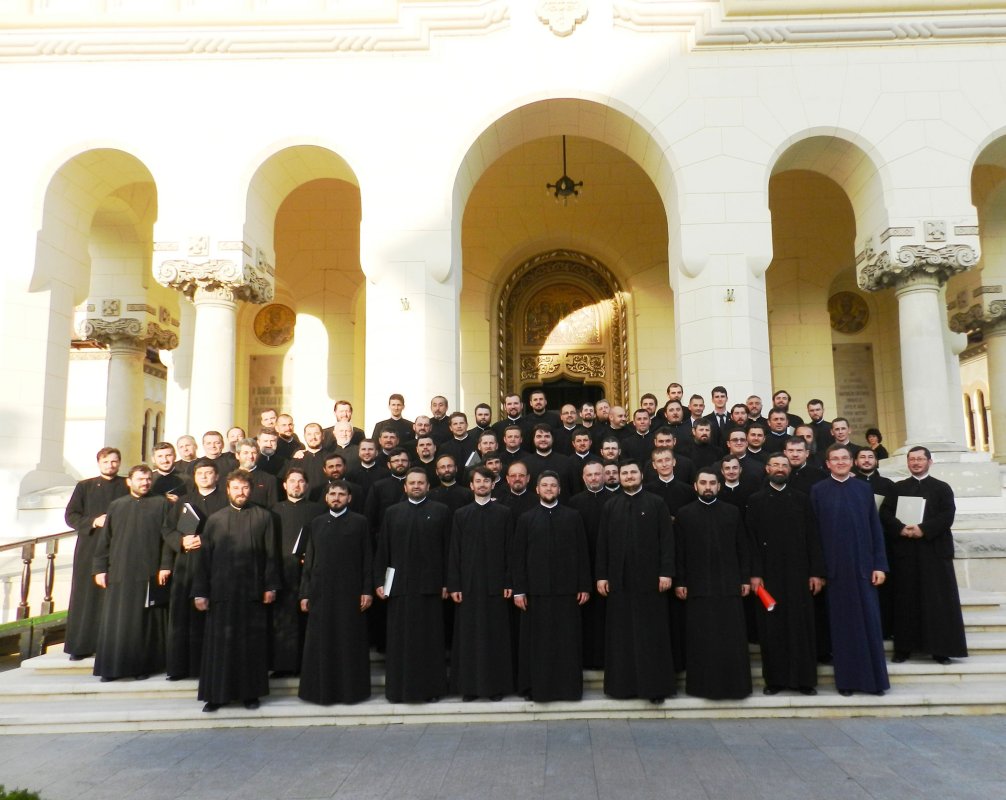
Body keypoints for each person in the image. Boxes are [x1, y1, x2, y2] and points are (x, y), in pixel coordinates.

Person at [193, 470, 281, 712]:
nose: (241, 492)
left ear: (250, 490)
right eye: (236, 488)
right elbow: (205, 560)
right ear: (228, 490)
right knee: (219, 646)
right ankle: (216, 695)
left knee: (250, 646)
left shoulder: (264, 517)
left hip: (252, 593)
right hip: (221, 593)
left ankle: (250, 694)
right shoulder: (215, 520)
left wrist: (270, 586)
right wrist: (201, 592)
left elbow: (272, 555)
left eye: (245, 488)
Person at [811, 445, 889, 696]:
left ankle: (875, 682)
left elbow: (875, 529)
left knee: (869, 625)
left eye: (845, 458)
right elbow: (813, 536)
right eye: (835, 459)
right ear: (828, 464)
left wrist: (879, 565)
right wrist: (818, 572)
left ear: (852, 462)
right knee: (842, 628)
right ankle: (846, 682)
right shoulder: (818, 491)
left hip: (864, 569)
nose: (841, 462)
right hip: (835, 573)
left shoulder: (864, 489)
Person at [596, 460, 675, 703]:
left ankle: (655, 689)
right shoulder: (611, 505)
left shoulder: (656, 503)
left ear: (641, 474)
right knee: (621, 635)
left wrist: (666, 572)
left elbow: (667, 541)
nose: (629, 476)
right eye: (624, 473)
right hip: (619, 582)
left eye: (633, 472)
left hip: (650, 582)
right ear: (618, 477)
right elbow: (603, 543)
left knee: (651, 634)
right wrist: (601, 576)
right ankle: (622, 687)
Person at [747, 454, 826, 695]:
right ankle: (776, 681)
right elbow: (750, 541)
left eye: (784, 465)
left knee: (801, 626)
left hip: (799, 573)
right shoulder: (755, 500)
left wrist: (816, 573)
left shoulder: (802, 499)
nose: (780, 469)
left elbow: (813, 537)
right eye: (776, 465)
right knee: (772, 629)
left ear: (789, 470)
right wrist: (755, 574)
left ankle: (804, 680)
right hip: (768, 575)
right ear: (767, 469)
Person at [511, 471, 591, 702]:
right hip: (536, 593)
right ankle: (538, 689)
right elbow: (519, 557)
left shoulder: (573, 516)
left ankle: (568, 690)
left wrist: (584, 586)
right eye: (544, 485)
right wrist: (519, 590)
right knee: (538, 644)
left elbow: (582, 553)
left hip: (567, 592)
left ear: (559, 490)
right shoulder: (526, 519)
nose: (548, 489)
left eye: (553, 486)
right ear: (537, 489)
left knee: (567, 643)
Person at [374, 467, 451, 703]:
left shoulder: (441, 511)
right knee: (400, 642)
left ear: (428, 486)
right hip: (400, 588)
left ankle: (431, 690)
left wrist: (447, 582)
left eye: (421, 482)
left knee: (430, 641)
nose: (416, 486)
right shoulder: (392, 513)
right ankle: (398, 691)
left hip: (430, 587)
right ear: (405, 487)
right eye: (412, 483)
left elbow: (448, 551)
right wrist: (380, 583)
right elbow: (383, 550)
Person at [674, 469, 752, 700]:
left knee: (731, 638)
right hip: (697, 587)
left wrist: (744, 578)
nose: (708, 487)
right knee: (701, 639)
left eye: (712, 483)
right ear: (695, 486)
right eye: (703, 483)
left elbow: (742, 548)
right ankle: (701, 687)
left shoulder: (732, 512)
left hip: (729, 586)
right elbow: (679, 552)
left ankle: (736, 687)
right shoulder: (684, 514)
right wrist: (681, 581)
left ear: (719, 486)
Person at [886, 447, 968, 665]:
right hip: (906, 554)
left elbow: (947, 515)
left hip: (933, 553)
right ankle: (904, 648)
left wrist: (924, 529)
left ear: (929, 462)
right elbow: (885, 513)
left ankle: (941, 649)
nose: (916, 463)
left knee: (937, 602)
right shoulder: (897, 488)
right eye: (912, 459)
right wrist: (900, 528)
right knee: (905, 601)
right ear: (907, 462)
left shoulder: (942, 488)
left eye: (920, 459)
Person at [92, 464, 173, 681]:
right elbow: (105, 541)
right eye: (140, 479)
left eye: (147, 479)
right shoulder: (116, 506)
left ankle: (141, 667)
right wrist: (100, 568)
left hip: (148, 571)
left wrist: (165, 565)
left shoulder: (161, 504)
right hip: (119, 572)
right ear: (129, 481)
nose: (145, 483)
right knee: (116, 621)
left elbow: (167, 539)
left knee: (143, 623)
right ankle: (111, 669)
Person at [298, 480, 373, 705]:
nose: (337, 498)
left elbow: (367, 558)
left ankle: (352, 692)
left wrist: (367, 590)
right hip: (321, 593)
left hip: (351, 594)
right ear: (326, 498)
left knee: (349, 642)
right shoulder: (317, 523)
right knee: (322, 643)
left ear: (349, 498)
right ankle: (321, 692)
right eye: (333, 494)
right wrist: (305, 593)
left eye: (342, 494)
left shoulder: (360, 522)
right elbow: (309, 561)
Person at [447, 466, 515, 701]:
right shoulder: (461, 514)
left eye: (487, 481)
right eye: (478, 481)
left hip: (496, 585)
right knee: (469, 637)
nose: (483, 485)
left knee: (495, 636)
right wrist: (454, 585)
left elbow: (510, 550)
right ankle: (470, 687)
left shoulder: (504, 513)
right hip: (468, 586)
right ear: (471, 486)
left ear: (493, 484)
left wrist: (509, 580)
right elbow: (454, 552)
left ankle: (495, 687)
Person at [164, 457, 228, 680]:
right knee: (182, 615)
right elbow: (168, 530)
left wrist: (204, 539)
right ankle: (180, 667)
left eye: (209, 473)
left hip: (217, 564)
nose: (204, 477)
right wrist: (182, 541)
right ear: (194, 477)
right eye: (200, 474)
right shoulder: (184, 501)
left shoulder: (226, 499)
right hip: (187, 563)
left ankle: (208, 667)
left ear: (217, 477)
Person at [64, 447, 128, 661]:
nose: (111, 465)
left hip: (118, 548)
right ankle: (80, 645)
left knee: (113, 596)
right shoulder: (85, 486)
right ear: (99, 463)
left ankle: (109, 644)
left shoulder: (126, 485)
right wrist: (93, 521)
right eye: (107, 461)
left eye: (114, 461)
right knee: (86, 596)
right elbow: (71, 515)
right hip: (89, 547)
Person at [270, 467, 326, 677]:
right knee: (284, 619)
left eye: (301, 481)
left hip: (310, 571)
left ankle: (308, 664)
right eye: (292, 481)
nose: (296, 485)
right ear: (284, 485)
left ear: (307, 485)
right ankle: (283, 665)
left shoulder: (318, 510)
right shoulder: (273, 510)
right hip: (282, 571)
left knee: (309, 617)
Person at [568, 459, 612, 670]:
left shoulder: (615, 500)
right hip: (581, 567)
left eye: (597, 474)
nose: (594, 478)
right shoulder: (574, 504)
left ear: (604, 476)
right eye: (589, 475)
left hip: (609, 569)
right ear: (583, 478)